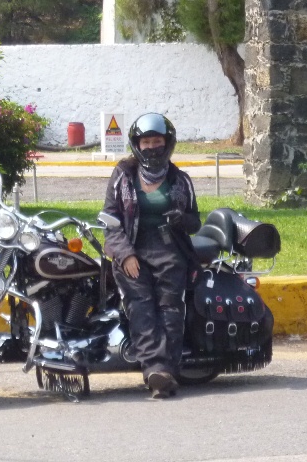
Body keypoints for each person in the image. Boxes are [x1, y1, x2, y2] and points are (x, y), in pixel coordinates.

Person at [102, 112, 201, 399]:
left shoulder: (180, 179)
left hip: (170, 250)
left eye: (157, 141)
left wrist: (181, 218)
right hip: (132, 249)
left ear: (167, 143)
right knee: (141, 306)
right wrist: (125, 255)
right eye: (146, 142)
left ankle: (164, 372)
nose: (152, 147)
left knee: (170, 308)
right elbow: (110, 221)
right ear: (137, 145)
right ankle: (156, 369)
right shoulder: (122, 175)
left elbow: (196, 222)